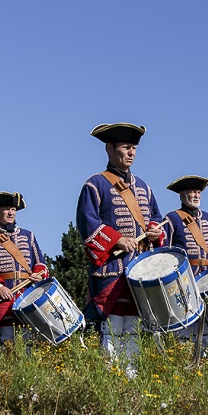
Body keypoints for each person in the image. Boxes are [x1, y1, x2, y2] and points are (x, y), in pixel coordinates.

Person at [76, 123, 165, 376]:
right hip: (112, 269)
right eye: (126, 147)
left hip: (140, 270)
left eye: (134, 148)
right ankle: (111, 379)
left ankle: (132, 379)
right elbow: (87, 222)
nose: (131, 153)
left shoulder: (144, 187)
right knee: (113, 327)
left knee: (135, 328)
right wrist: (116, 240)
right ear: (109, 148)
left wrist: (155, 231)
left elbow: (156, 219)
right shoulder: (95, 184)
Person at [0, 191, 49, 344]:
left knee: (30, 343)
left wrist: (38, 275)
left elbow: (41, 264)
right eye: (6, 209)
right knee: (7, 342)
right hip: (4, 299)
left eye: (13, 209)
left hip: (28, 297)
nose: (10, 213)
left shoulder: (29, 236)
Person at [163, 175, 208, 350]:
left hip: (206, 277)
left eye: (198, 192)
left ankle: (203, 355)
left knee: (206, 322)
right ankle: (184, 354)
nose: (196, 196)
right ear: (182, 194)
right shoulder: (172, 218)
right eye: (192, 192)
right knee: (185, 320)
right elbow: (165, 250)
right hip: (184, 278)